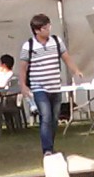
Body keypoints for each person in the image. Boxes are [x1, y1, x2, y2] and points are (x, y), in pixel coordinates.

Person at [18, 13, 85, 156]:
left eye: (49, 26)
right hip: (39, 88)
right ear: (37, 30)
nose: (48, 30)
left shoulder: (56, 41)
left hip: (55, 87)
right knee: (46, 116)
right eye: (45, 28)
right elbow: (23, 67)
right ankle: (47, 149)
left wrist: (76, 70)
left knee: (54, 119)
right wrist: (23, 85)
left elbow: (66, 58)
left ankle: (51, 145)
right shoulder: (28, 46)